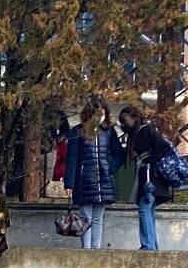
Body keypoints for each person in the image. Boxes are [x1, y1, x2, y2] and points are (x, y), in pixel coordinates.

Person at [65, 96, 122, 250]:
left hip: (103, 180)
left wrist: (110, 168)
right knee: (86, 217)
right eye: (98, 113)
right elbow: (71, 158)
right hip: (84, 180)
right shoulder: (77, 131)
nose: (100, 117)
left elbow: (119, 154)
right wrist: (69, 183)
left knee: (98, 217)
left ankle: (95, 250)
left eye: (103, 114)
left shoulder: (109, 131)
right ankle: (87, 249)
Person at [118, 106, 174, 250]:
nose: (123, 125)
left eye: (125, 121)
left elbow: (164, 148)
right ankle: (151, 246)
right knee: (148, 210)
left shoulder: (146, 130)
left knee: (144, 208)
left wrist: (148, 160)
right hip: (146, 175)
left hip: (152, 176)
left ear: (134, 118)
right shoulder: (134, 134)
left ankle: (148, 246)